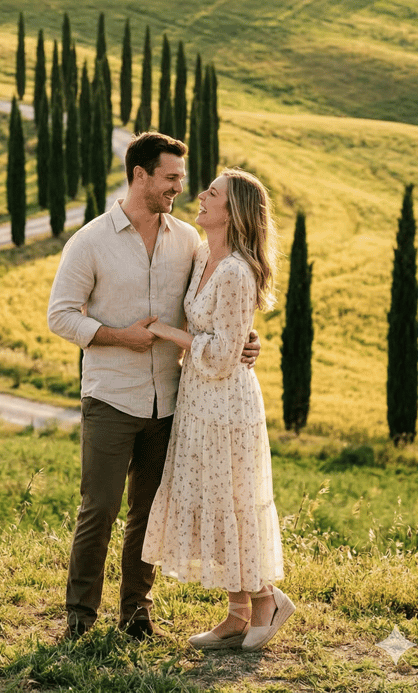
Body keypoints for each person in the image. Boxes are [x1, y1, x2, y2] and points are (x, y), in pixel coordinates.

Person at [47, 132, 259, 640]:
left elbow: (214, 302)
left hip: (170, 402)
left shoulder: (187, 239)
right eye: (170, 178)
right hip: (111, 399)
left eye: (182, 180)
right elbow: (60, 316)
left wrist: (245, 338)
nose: (178, 188)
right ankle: (80, 616)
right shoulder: (91, 241)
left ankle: (136, 613)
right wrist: (121, 337)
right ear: (139, 175)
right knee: (98, 508)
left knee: (147, 512)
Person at [142, 168, 295, 651]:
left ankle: (268, 600)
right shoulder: (207, 253)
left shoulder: (235, 271)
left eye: (213, 193)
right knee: (213, 498)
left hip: (227, 406)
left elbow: (224, 355)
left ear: (233, 212)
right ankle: (236, 614)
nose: (201, 196)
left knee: (232, 500)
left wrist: (167, 333)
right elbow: (230, 334)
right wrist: (241, 337)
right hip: (198, 400)